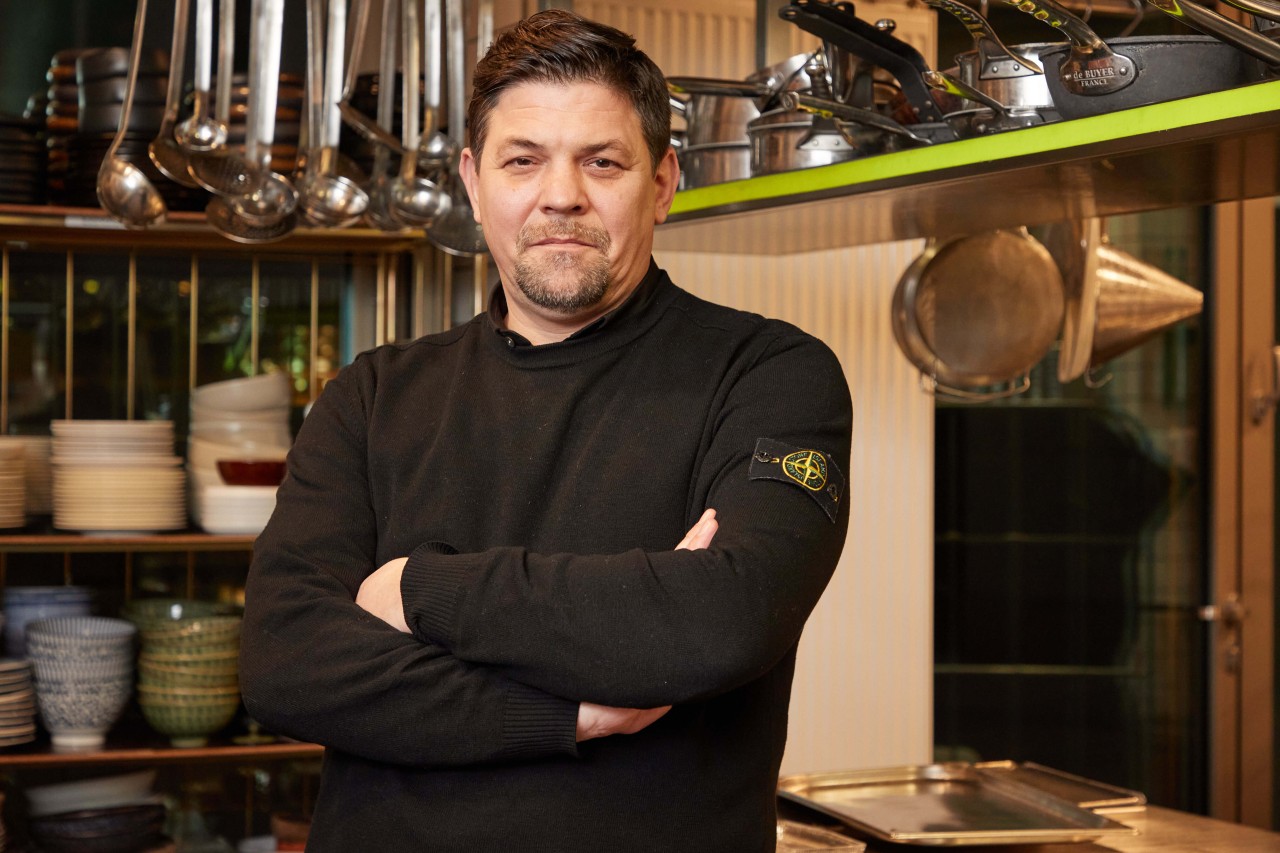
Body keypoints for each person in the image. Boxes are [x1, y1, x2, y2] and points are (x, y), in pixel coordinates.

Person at [239, 9, 853, 851]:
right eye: (523, 160)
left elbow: (721, 619)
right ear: (473, 180)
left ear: (666, 181)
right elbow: (286, 659)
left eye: (603, 162)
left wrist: (419, 590)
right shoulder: (372, 396)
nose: (561, 194)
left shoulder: (769, 375)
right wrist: (564, 711)